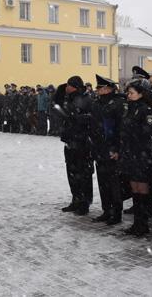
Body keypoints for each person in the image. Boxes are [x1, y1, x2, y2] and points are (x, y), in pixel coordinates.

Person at [116, 77, 152, 236]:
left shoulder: (146, 110)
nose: (129, 95)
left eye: (132, 93)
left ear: (141, 94)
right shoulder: (131, 108)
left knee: (142, 188)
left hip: (141, 155)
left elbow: (146, 134)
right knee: (134, 188)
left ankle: (143, 223)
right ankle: (137, 223)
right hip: (130, 154)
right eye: (128, 92)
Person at [90, 75, 125, 225]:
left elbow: (121, 129)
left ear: (108, 88)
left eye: (100, 88)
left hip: (111, 148)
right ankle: (106, 210)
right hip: (99, 147)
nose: (98, 90)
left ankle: (116, 213)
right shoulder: (98, 103)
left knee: (114, 182)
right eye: (98, 88)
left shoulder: (118, 103)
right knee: (103, 181)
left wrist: (117, 149)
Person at [58, 76, 94, 215]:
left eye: (68, 85)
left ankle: (84, 203)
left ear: (74, 86)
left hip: (82, 143)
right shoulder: (69, 98)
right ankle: (76, 200)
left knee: (83, 174)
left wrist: (75, 118)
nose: (66, 87)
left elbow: (91, 119)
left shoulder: (86, 99)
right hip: (70, 141)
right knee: (72, 173)